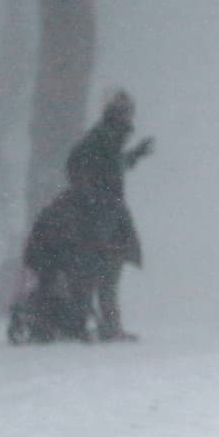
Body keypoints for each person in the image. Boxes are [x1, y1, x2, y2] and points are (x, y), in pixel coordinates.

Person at [63, 89, 154, 340]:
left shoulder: (104, 137)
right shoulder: (104, 137)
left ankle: (97, 324)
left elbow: (108, 166)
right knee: (103, 271)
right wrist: (97, 201)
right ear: (119, 113)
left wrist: (134, 155)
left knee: (101, 271)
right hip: (103, 217)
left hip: (103, 216)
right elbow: (104, 168)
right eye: (127, 112)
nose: (130, 118)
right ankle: (99, 326)